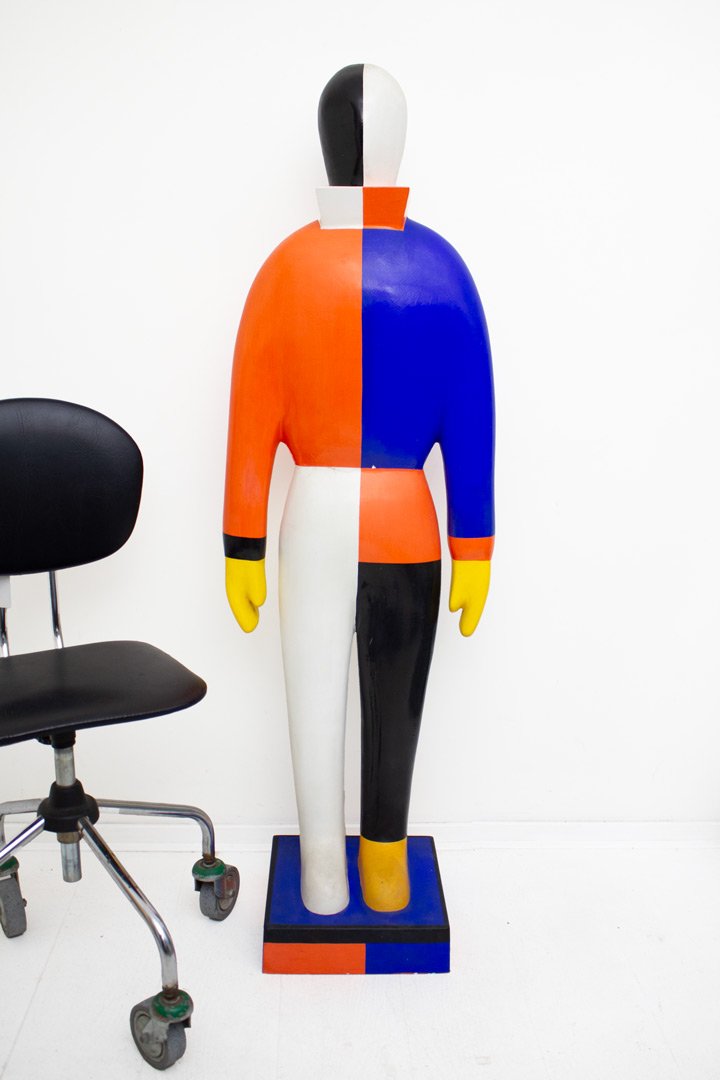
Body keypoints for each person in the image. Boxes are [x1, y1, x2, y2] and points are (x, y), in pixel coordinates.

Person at [224, 64, 495, 915]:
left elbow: (249, 423)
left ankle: (324, 874)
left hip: (313, 521)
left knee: (316, 710)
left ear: (330, 143)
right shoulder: (443, 271)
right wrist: (474, 545)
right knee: (394, 712)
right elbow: (473, 423)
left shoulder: (282, 271)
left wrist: (241, 544)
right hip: (405, 522)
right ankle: (382, 870)